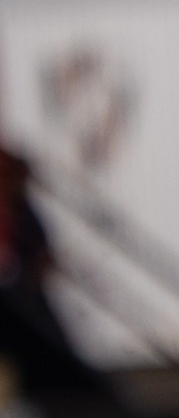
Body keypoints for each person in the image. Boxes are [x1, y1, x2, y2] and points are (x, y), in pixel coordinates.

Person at [0, 142, 112, 404]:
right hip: (20, 297)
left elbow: (38, 253)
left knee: (45, 340)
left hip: (26, 296)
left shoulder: (23, 213)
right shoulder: (14, 212)